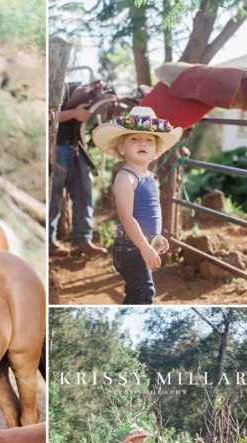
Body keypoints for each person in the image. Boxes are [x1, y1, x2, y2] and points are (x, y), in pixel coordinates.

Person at [91, 107, 182, 304]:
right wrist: (144, 247)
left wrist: (154, 239)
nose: (142, 142)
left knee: (136, 293)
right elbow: (127, 217)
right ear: (122, 148)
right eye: (134, 139)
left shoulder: (148, 176)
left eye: (149, 139)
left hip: (141, 244)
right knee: (144, 294)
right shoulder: (126, 178)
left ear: (156, 150)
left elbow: (150, 213)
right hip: (131, 247)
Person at [49, 85, 107, 258]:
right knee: (54, 197)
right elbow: (49, 118)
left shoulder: (81, 92)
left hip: (75, 147)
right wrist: (74, 113)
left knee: (84, 193)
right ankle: (50, 243)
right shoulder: (56, 88)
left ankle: (82, 240)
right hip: (56, 148)